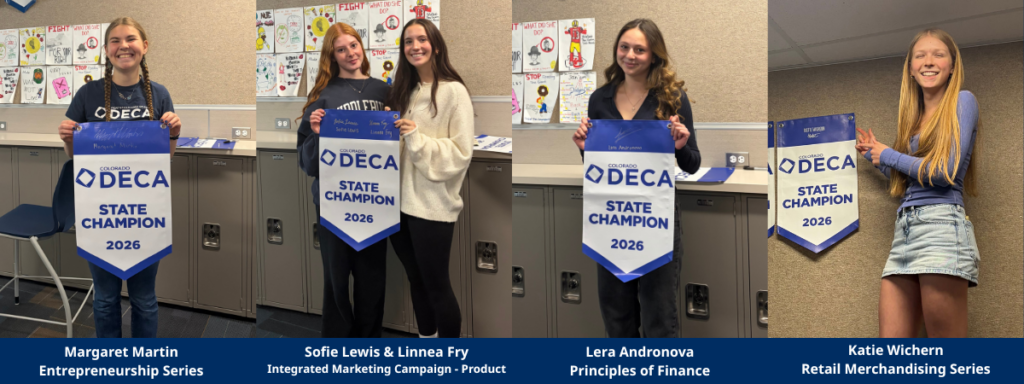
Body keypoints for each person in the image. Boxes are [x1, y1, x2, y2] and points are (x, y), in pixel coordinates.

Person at [571, 18, 700, 338]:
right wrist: (584, 149)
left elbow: (692, 164)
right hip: (610, 220)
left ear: (654, 55)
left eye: (639, 49)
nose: (630, 55)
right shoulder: (599, 99)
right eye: (624, 47)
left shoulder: (672, 97)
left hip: (655, 221)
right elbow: (600, 165)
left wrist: (681, 146)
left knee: (659, 316)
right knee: (617, 316)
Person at [57, 17, 181, 338]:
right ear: (107, 49)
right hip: (100, 213)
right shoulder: (88, 94)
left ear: (144, 46)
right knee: (106, 299)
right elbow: (76, 159)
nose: (123, 46)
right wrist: (68, 138)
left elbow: (164, 159)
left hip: (144, 214)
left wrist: (174, 134)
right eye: (114, 40)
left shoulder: (159, 94)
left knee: (144, 299)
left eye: (130, 39)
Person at [855, 29, 979, 338]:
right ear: (910, 68)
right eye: (920, 56)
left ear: (952, 66)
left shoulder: (963, 101)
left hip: (941, 227)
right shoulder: (914, 118)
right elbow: (914, 182)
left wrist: (890, 154)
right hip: (905, 232)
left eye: (939, 54)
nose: (929, 61)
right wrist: (878, 158)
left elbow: (944, 173)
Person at [296, 23, 390, 338]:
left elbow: (401, 149)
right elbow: (307, 162)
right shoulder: (322, 95)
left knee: (372, 279)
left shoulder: (385, 91)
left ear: (362, 48)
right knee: (336, 278)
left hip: (376, 200)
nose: (350, 53)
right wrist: (318, 135)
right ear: (331, 56)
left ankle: (367, 343)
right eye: (341, 49)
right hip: (334, 202)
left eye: (354, 45)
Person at [385, 19, 473, 338]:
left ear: (435, 45)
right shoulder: (403, 91)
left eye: (421, 39)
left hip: (431, 206)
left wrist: (416, 136)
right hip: (397, 204)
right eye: (408, 42)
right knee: (416, 280)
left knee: (437, 286)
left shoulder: (454, 92)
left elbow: (462, 152)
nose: (415, 47)